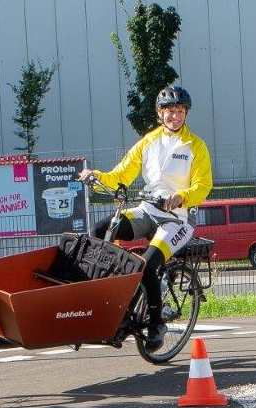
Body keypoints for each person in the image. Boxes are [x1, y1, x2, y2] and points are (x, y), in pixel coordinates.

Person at [78, 86, 213, 352]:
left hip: (177, 219)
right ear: (160, 113)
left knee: (148, 263)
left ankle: (156, 322)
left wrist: (182, 197)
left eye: (180, 111)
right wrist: (95, 176)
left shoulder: (195, 146)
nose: (175, 116)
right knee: (101, 228)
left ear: (186, 114)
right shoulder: (148, 141)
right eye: (169, 111)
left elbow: (203, 185)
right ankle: (103, 291)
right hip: (147, 209)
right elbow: (121, 174)